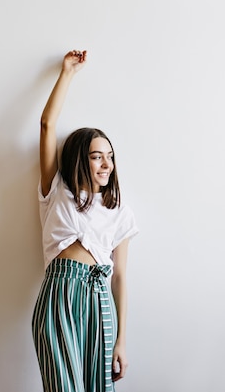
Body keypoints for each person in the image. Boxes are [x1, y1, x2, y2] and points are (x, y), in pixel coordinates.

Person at [31, 50, 139, 392]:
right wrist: (67, 74)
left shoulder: (119, 212)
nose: (106, 164)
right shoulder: (56, 190)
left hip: (99, 299)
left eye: (110, 157)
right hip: (59, 295)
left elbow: (120, 277)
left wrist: (121, 340)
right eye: (96, 156)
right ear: (81, 158)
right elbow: (47, 125)